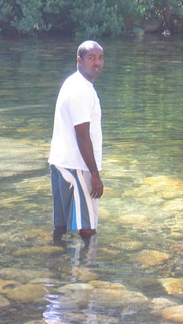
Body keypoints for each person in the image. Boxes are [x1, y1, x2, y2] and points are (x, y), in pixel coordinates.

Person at [48, 40, 105, 244]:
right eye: (91, 58)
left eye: (100, 58)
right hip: (77, 167)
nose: (97, 63)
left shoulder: (74, 83)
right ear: (79, 61)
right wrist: (95, 175)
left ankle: (55, 263)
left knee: (60, 227)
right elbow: (83, 136)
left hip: (61, 162)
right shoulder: (80, 90)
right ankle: (87, 271)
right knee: (88, 228)